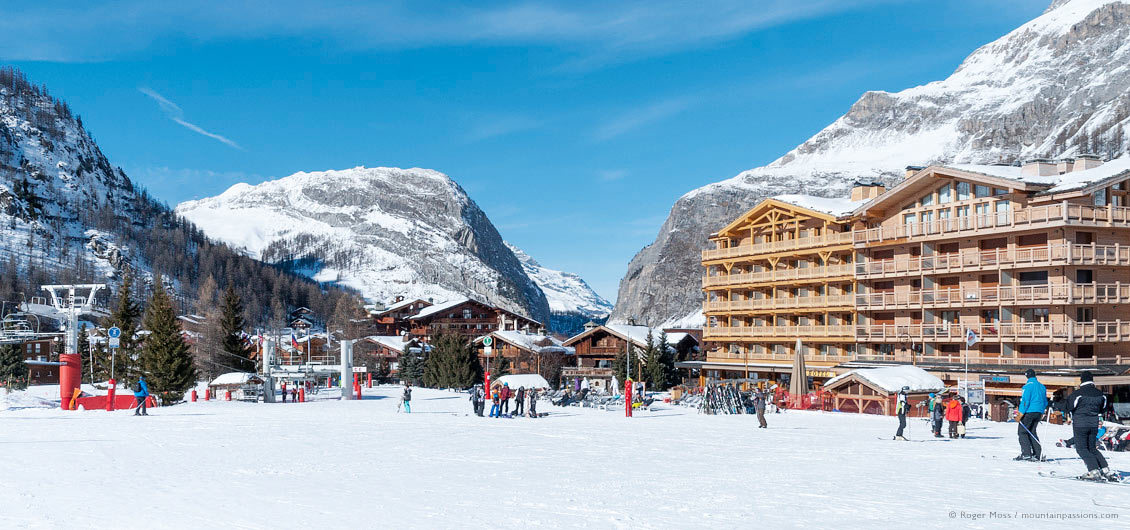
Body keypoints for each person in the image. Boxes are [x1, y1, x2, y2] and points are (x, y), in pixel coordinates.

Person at [1066, 372, 1116, 481]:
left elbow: (1069, 406)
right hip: (1094, 423)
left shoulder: (1078, 393)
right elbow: (1103, 409)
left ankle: (1093, 470)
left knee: (1082, 448)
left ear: (1081, 380)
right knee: (1092, 448)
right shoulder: (1101, 394)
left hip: (1080, 424)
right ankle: (1105, 469)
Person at [1016, 368, 1048, 461]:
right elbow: (1045, 401)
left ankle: (1026, 453)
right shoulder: (1042, 386)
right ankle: (1038, 454)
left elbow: (1025, 401)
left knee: (1022, 432)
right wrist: (1042, 412)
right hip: (1038, 412)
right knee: (1032, 432)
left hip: (1029, 411)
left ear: (1027, 376)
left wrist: (1020, 414)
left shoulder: (1027, 386)